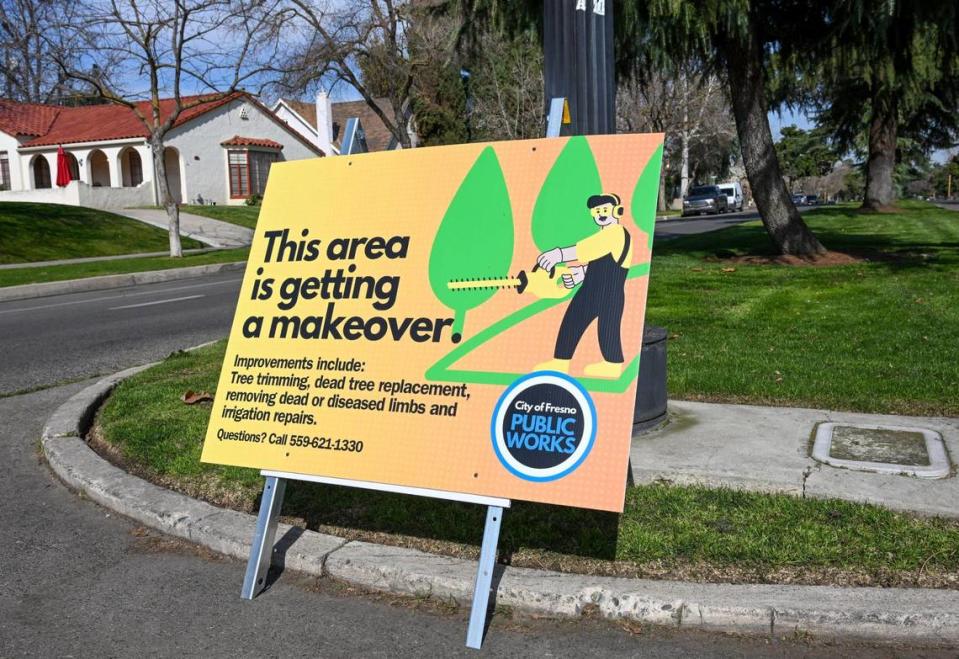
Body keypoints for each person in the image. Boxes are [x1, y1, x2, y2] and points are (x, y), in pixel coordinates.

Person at [535, 193, 632, 378]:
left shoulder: (617, 234)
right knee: (571, 322)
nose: (600, 214)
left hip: (609, 293)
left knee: (608, 329)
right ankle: (560, 362)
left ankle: (612, 365)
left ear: (617, 211)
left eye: (604, 209)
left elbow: (588, 248)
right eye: (596, 211)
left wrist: (558, 255)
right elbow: (597, 262)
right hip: (589, 289)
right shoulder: (603, 236)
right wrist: (580, 274)